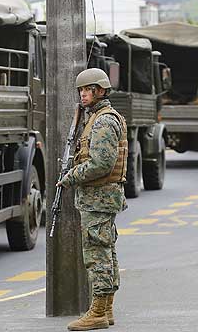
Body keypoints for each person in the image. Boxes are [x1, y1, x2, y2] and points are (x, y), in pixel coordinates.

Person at [57, 68, 127, 331]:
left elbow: (101, 164)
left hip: (99, 198)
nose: (83, 94)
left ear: (100, 91)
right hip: (100, 198)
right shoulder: (98, 117)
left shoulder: (103, 121)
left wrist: (70, 176)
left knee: (97, 254)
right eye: (81, 90)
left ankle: (97, 311)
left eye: (88, 90)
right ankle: (106, 310)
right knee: (106, 251)